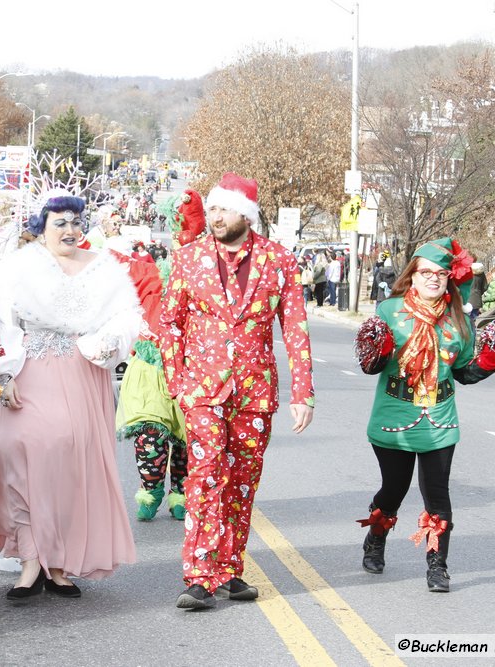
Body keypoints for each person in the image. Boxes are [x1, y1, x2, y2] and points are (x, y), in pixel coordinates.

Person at [0, 189, 141, 603]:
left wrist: (111, 340)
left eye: (76, 221)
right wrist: (3, 376)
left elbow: (128, 317)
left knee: (69, 461)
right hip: (28, 370)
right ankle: (30, 559)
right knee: (18, 450)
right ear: (42, 227)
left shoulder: (103, 268)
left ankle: (55, 563)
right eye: (60, 222)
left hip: (80, 373)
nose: (70, 230)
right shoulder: (17, 268)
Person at [160, 173, 315, 610]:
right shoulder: (188, 258)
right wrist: (179, 383)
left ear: (245, 214)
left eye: (224, 209)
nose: (215, 217)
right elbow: (169, 324)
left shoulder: (279, 260)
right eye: (211, 209)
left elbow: (296, 330)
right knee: (205, 476)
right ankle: (200, 575)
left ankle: (230, 570)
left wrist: (302, 393)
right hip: (203, 391)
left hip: (255, 392)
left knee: (242, 483)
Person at [354, 237, 495, 593]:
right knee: (394, 489)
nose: (434, 279)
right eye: (426, 272)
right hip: (394, 414)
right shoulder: (389, 311)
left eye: (441, 274)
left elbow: (464, 373)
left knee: (437, 495)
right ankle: (376, 539)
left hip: (439, 418)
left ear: (449, 280)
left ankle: (437, 567)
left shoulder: (458, 321)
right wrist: (374, 349)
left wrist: (488, 360)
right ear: (413, 275)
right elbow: (370, 367)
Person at [116, 190, 205, 522]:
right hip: (151, 368)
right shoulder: (152, 277)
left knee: (185, 440)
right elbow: (107, 263)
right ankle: (151, 488)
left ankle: (180, 492)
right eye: (181, 242)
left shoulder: (207, 281)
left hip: (193, 368)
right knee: (150, 436)